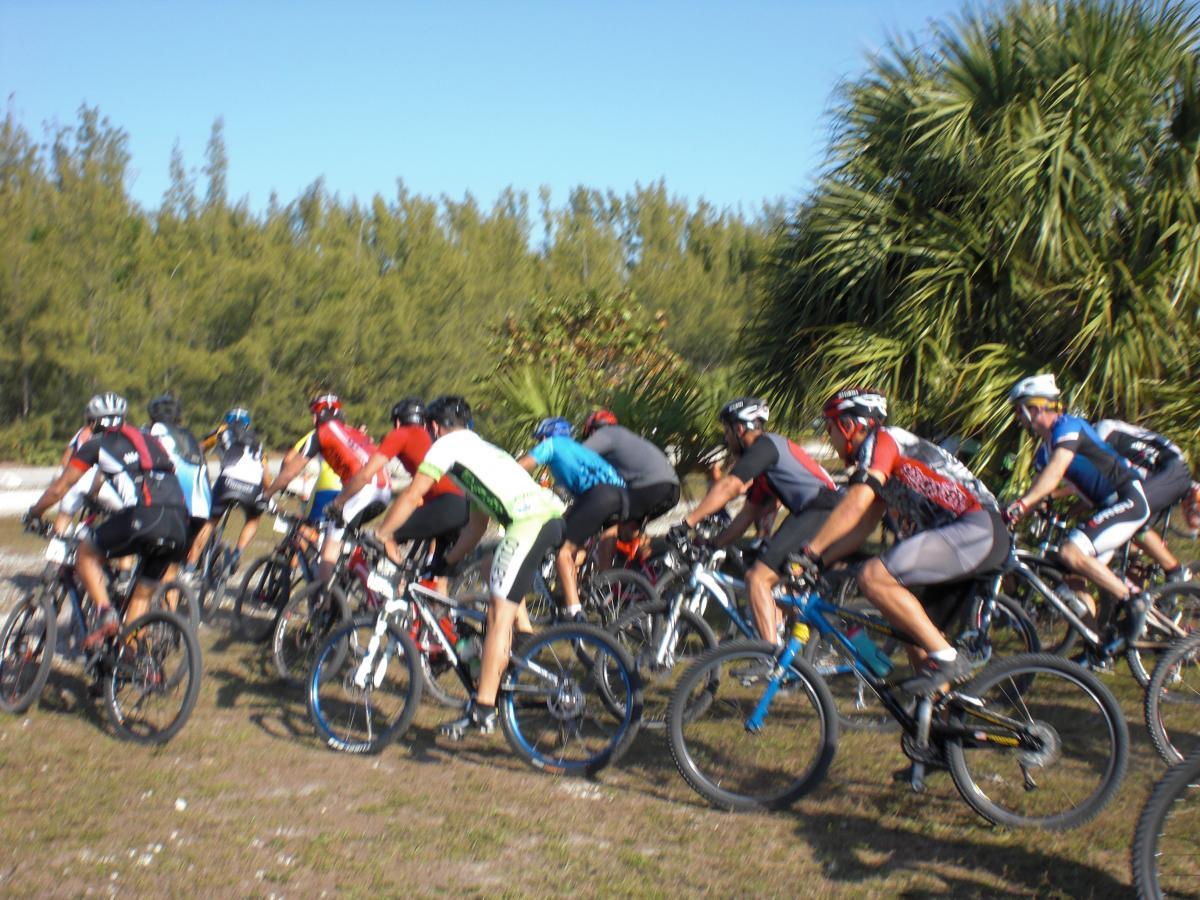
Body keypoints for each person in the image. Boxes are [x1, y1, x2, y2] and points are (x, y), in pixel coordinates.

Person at [374, 396, 565, 738]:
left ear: (434, 427)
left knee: (496, 615)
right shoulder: (483, 450)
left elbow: (413, 494)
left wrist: (383, 533)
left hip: (529, 523)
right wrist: (445, 565)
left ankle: (483, 709)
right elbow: (476, 527)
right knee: (497, 581)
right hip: (549, 519)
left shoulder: (445, 448)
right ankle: (519, 652)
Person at [800, 388, 1007, 694]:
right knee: (913, 633)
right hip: (967, 537)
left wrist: (809, 550)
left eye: (830, 429)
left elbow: (856, 502)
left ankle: (948, 658)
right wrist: (819, 562)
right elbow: (864, 523)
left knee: (872, 576)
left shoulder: (883, 441)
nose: (830, 439)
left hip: (976, 528)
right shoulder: (881, 460)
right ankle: (941, 726)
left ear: (847, 426)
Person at [24, 393, 189, 646]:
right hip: (179, 521)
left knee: (85, 554)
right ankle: (129, 660)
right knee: (141, 597)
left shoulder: (96, 445)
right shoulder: (149, 440)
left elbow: (61, 487)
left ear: (92, 422)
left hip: (145, 515)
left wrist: (35, 513)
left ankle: (105, 611)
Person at [673, 397, 840, 642]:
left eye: (727, 431)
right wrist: (715, 543)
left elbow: (729, 485)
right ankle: (793, 653)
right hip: (818, 511)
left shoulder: (764, 447)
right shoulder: (767, 462)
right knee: (780, 585)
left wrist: (686, 523)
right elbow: (749, 512)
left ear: (740, 428)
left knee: (757, 578)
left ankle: (770, 659)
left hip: (820, 510)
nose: (726, 438)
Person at [1005, 374, 1152, 633]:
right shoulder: (1047, 447)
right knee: (1072, 578)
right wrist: (1021, 509)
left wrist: (1023, 504)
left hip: (1128, 499)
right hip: (1109, 507)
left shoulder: (1068, 426)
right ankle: (1096, 645)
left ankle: (1135, 601)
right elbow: (1039, 488)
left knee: (1070, 553)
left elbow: (1052, 477)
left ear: (1036, 407)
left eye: (1020, 410)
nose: (1018, 417)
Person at [263, 394, 390, 584]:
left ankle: (325, 604)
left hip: (361, 489)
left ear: (320, 416)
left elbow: (289, 472)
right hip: (384, 491)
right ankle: (348, 583)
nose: (313, 420)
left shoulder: (320, 434)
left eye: (314, 415)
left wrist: (266, 494)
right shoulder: (354, 433)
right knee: (341, 537)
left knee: (328, 550)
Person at [335, 397, 470, 574]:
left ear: (398, 422)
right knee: (437, 578)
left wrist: (338, 502)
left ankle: (395, 588)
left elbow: (366, 474)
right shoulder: (430, 437)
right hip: (465, 506)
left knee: (386, 534)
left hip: (446, 504)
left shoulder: (402, 434)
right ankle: (431, 600)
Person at [516, 416, 627, 620]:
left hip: (599, 496)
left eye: (540, 438)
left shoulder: (552, 445)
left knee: (562, 552)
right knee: (592, 548)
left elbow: (519, 467)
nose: (539, 443)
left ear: (547, 436)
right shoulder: (579, 450)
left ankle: (574, 612)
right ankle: (610, 601)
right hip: (621, 495)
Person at [1094, 418, 1193, 582]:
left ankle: (1175, 571)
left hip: (1170, 467)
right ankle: (1141, 596)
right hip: (1154, 476)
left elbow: (1097, 478)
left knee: (1129, 515)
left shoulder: (1103, 432)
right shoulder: (1099, 435)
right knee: (1122, 533)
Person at [580, 409, 680, 551]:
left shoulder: (605, 434)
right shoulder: (624, 439)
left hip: (651, 487)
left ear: (592, 431)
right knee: (628, 531)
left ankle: (605, 574)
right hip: (671, 488)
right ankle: (649, 566)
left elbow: (577, 456)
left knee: (609, 523)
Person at [193, 407, 269, 573]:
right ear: (248, 425)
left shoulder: (223, 430)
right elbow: (265, 472)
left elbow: (198, 449)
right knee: (253, 519)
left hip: (227, 480)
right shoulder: (257, 442)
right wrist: (268, 493)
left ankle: (189, 569)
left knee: (210, 521)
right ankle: (237, 553)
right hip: (253, 485)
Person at [146, 393, 213, 564]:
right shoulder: (189, 437)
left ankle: (126, 578)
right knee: (172, 564)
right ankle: (183, 578)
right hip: (202, 507)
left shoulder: (154, 432)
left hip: (173, 506)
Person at [52, 395, 125, 535]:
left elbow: (65, 461)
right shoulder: (125, 436)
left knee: (64, 516)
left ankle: (57, 547)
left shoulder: (82, 432)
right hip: (109, 486)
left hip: (78, 479)